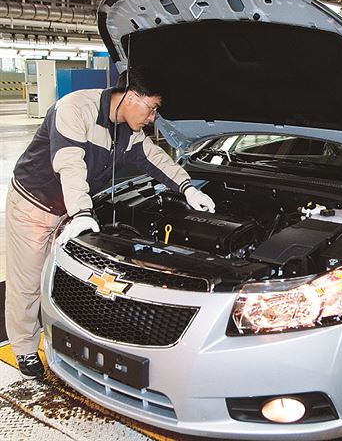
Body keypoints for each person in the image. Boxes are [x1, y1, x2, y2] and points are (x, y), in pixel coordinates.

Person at [5, 66, 215, 379]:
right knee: (28, 281)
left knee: (61, 277)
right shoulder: (74, 109)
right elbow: (69, 164)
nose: (152, 118)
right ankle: (24, 349)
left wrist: (187, 188)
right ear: (131, 97)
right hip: (34, 205)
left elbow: (156, 158)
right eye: (152, 108)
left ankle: (67, 333)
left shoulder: (129, 130)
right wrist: (82, 213)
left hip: (70, 210)